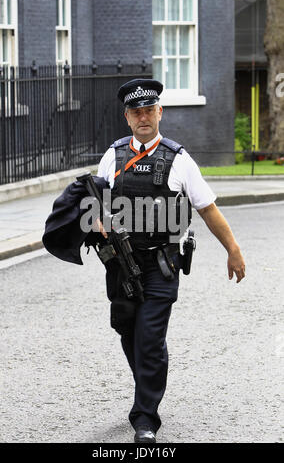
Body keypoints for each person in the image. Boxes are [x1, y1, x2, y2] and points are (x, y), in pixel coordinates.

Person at [95, 78, 246, 443]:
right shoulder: (112, 157)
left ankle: (145, 419)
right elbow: (94, 204)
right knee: (128, 332)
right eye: (136, 112)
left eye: (149, 110)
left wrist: (233, 248)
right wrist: (98, 222)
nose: (143, 117)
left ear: (159, 113)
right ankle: (149, 376)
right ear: (127, 117)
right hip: (121, 266)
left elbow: (207, 208)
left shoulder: (179, 160)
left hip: (161, 265)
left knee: (148, 340)